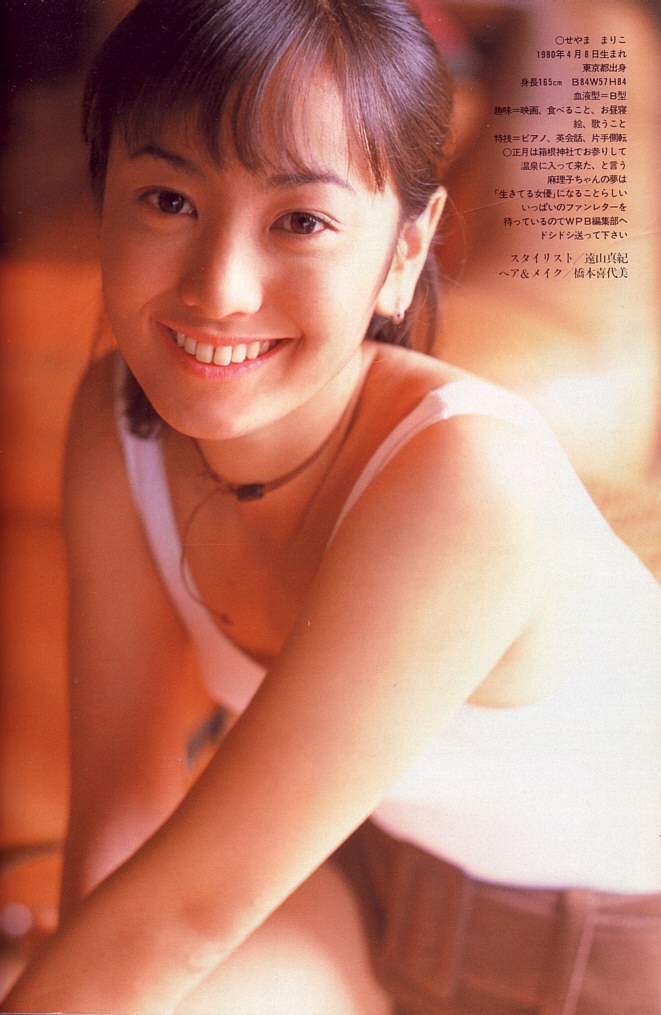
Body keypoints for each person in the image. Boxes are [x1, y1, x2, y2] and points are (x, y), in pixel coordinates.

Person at [3, 1, 660, 1012]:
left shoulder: (467, 480)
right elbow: (123, 823)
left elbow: (187, 918)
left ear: (404, 252)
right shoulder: (119, 418)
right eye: (168, 199)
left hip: (595, 954)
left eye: (300, 221)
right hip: (355, 880)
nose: (219, 289)